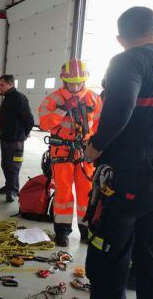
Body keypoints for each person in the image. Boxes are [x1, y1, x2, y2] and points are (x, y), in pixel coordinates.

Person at [84, 7, 153, 299]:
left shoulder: (128, 60)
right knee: (151, 253)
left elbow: (122, 107)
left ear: (120, 39)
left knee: (109, 252)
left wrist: (96, 146)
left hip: (128, 173)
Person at [38, 59, 102, 247]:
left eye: (79, 82)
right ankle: (62, 231)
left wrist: (96, 149)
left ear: (85, 80)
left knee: (87, 192)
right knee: (63, 192)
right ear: (64, 81)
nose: (75, 86)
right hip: (62, 152)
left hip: (84, 153)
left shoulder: (93, 98)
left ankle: (86, 230)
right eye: (71, 82)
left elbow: (98, 125)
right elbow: (44, 123)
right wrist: (63, 109)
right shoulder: (54, 99)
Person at [0, 75, 34, 202]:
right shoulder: (7, 98)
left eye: (2, 85)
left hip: (16, 139)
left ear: (10, 85)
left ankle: (13, 191)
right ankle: (9, 186)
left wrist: (25, 133)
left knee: (14, 166)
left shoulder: (19, 98)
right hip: (5, 137)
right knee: (5, 164)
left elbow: (29, 119)